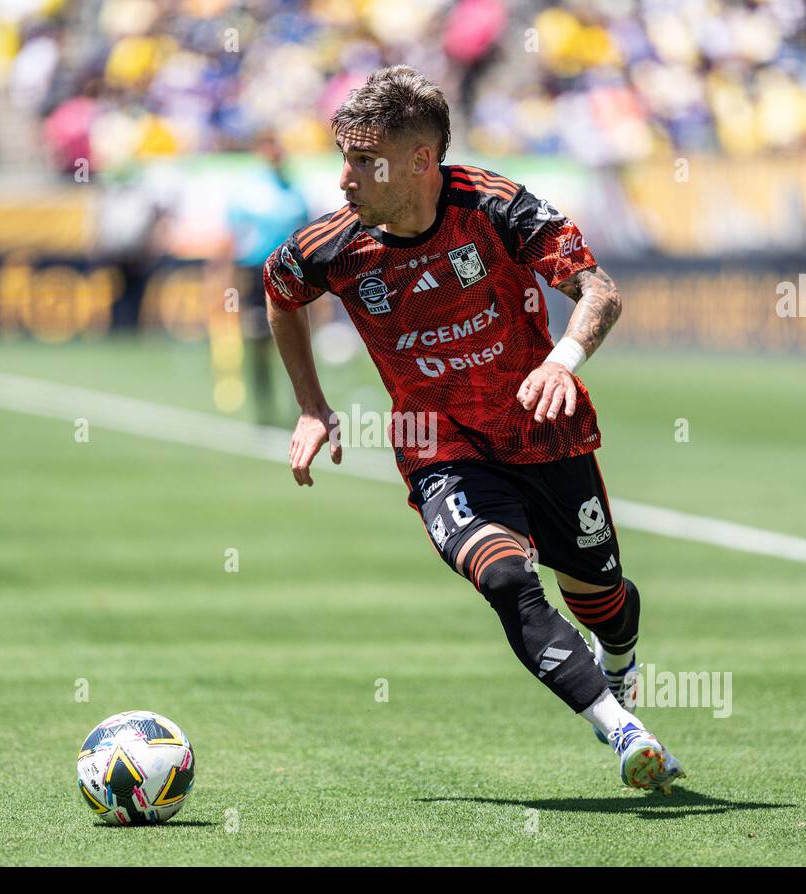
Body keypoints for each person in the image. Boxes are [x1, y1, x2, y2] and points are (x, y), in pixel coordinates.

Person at [262, 66, 684, 793]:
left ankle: (619, 659)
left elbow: (599, 290)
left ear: (421, 160)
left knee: (604, 601)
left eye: (365, 162)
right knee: (507, 578)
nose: (343, 180)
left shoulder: (496, 209)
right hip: (440, 446)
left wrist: (562, 360)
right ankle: (623, 730)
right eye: (344, 159)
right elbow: (279, 290)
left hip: (543, 429)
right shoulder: (332, 247)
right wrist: (310, 403)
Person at [226, 131, 309, 424]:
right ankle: (264, 406)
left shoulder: (293, 189)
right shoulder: (249, 189)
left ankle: (301, 404)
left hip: (289, 273)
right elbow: (234, 237)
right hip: (256, 271)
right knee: (258, 338)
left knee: (296, 339)